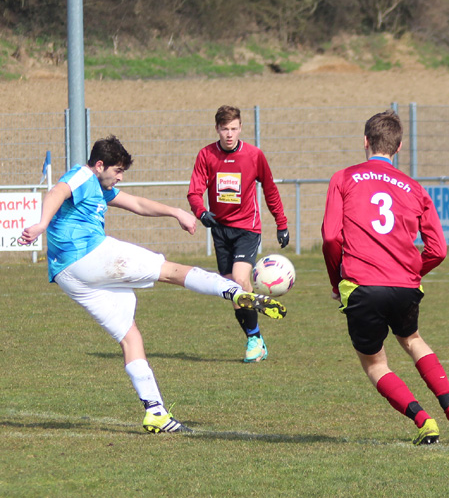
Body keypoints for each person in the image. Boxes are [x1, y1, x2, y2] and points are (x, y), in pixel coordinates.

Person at [19, 136, 287, 434]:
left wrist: (175, 212)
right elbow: (57, 191)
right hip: (88, 254)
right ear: (99, 165)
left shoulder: (99, 186)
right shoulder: (82, 175)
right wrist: (42, 224)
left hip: (68, 275)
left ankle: (155, 412)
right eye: (117, 171)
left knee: (131, 338)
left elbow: (136, 203)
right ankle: (236, 291)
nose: (119, 177)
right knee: (169, 270)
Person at [321, 110, 449, 445]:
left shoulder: (344, 178)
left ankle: (425, 421)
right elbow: (438, 249)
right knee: (413, 340)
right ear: (399, 147)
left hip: (363, 284)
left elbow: (330, 238)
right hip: (405, 285)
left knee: (375, 363)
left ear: (365, 141)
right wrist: (410, 272)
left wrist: (337, 282)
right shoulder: (415, 188)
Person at [188, 105, 289, 363]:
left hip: (247, 227)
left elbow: (269, 189)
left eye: (234, 128)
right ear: (217, 129)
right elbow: (194, 192)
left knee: (240, 279)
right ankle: (255, 338)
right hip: (220, 230)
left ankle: (254, 340)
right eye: (224, 129)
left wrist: (281, 222)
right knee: (232, 289)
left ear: (241, 128)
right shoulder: (206, 155)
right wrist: (201, 212)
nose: (229, 134)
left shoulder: (254, 155)